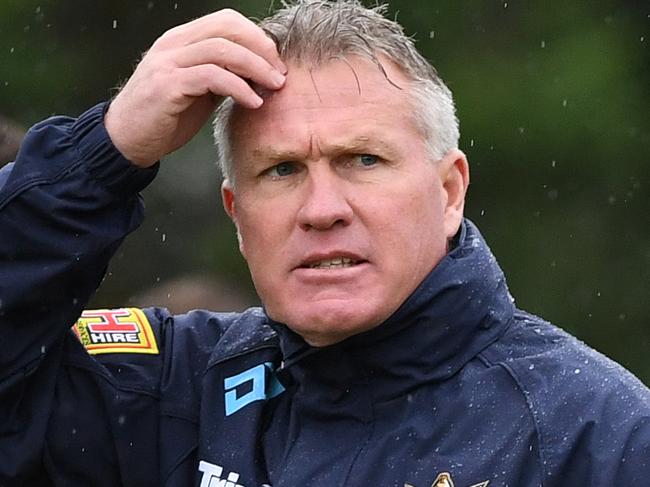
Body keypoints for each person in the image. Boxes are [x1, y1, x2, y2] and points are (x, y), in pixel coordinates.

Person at [1, 1, 648, 486]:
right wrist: (101, 156)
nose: (322, 209)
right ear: (237, 214)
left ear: (449, 192)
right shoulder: (171, 393)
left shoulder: (596, 434)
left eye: (363, 159)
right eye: (281, 170)